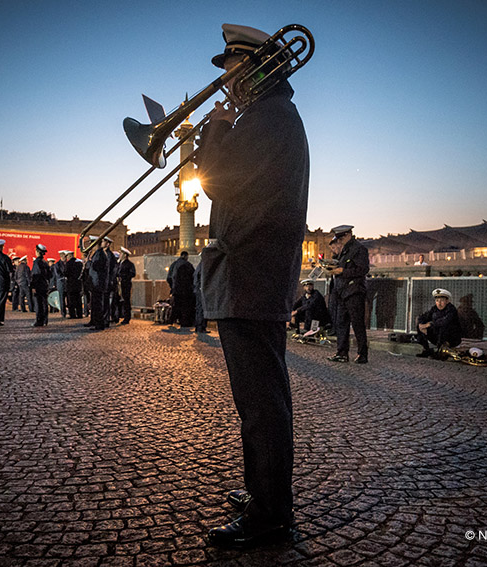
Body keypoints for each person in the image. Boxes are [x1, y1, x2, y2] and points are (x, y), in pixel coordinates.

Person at [196, 23, 309, 548]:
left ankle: (271, 515)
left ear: (258, 68)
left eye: (234, 69)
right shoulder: (271, 118)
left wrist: (216, 128)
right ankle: (266, 493)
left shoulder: (266, 118)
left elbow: (216, 178)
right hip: (253, 276)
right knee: (260, 401)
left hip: (250, 275)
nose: (227, 82)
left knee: (262, 405)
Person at [326, 225, 370, 364]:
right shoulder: (345, 249)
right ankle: (342, 353)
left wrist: (341, 272)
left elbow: (363, 269)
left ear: (348, 235)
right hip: (342, 292)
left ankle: (362, 354)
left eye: (340, 238)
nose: (338, 241)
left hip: (354, 291)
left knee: (357, 325)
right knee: (341, 324)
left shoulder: (359, 249)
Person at [416, 288, 462, 358]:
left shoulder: (451, 309)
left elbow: (444, 321)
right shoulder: (434, 308)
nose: (439, 303)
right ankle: (426, 350)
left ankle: (439, 352)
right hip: (437, 336)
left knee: (443, 327)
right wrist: (421, 324)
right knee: (420, 326)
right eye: (437, 301)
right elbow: (424, 317)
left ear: (447, 301)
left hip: (451, 338)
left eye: (442, 301)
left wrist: (429, 324)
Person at [85, 237, 109, 331]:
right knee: (95, 304)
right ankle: (95, 322)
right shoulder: (98, 253)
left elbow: (97, 267)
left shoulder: (100, 254)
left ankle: (99, 324)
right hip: (96, 283)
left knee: (98, 304)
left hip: (98, 283)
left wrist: (89, 262)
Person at [166, 251, 195, 328]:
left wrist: (173, 287)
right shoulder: (188, 265)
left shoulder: (174, 265)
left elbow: (169, 278)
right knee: (185, 306)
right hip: (186, 290)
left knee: (176, 305)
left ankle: (171, 320)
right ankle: (184, 322)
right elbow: (193, 277)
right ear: (185, 256)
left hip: (176, 289)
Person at [30, 244, 51, 327]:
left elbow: (35, 275)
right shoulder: (45, 262)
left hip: (38, 285)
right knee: (44, 303)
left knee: (38, 304)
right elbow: (50, 274)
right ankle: (45, 320)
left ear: (37, 252)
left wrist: (33, 286)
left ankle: (39, 320)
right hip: (44, 285)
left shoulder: (37, 262)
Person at [117, 247, 136, 325]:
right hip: (119, 285)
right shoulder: (119, 263)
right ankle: (118, 315)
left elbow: (132, 274)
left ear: (125, 255)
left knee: (126, 301)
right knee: (119, 300)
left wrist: (123, 276)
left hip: (126, 284)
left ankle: (127, 317)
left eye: (121, 253)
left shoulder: (129, 264)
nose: (120, 255)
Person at [65, 252, 84, 319]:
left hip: (70, 284)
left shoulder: (68, 264)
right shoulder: (79, 263)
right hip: (78, 284)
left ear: (68, 256)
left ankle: (72, 315)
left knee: (71, 301)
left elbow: (66, 273)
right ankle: (80, 314)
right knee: (78, 300)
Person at [53, 250, 68, 318]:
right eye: (64, 256)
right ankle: (63, 312)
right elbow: (57, 274)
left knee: (68, 298)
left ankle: (70, 311)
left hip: (67, 283)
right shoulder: (57, 264)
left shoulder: (67, 263)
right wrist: (64, 276)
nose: (65, 258)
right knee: (62, 299)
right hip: (61, 283)